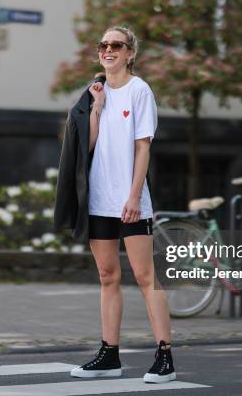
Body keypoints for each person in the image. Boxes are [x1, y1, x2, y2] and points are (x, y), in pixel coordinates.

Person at [57, 26, 175, 384]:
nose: (108, 50)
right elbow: (87, 147)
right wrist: (96, 108)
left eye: (116, 45)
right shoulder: (96, 92)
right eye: (103, 45)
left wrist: (135, 197)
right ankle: (109, 354)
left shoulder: (140, 91)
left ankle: (165, 355)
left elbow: (143, 147)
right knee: (108, 276)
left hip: (130, 201)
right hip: (98, 199)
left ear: (129, 53)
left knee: (144, 276)